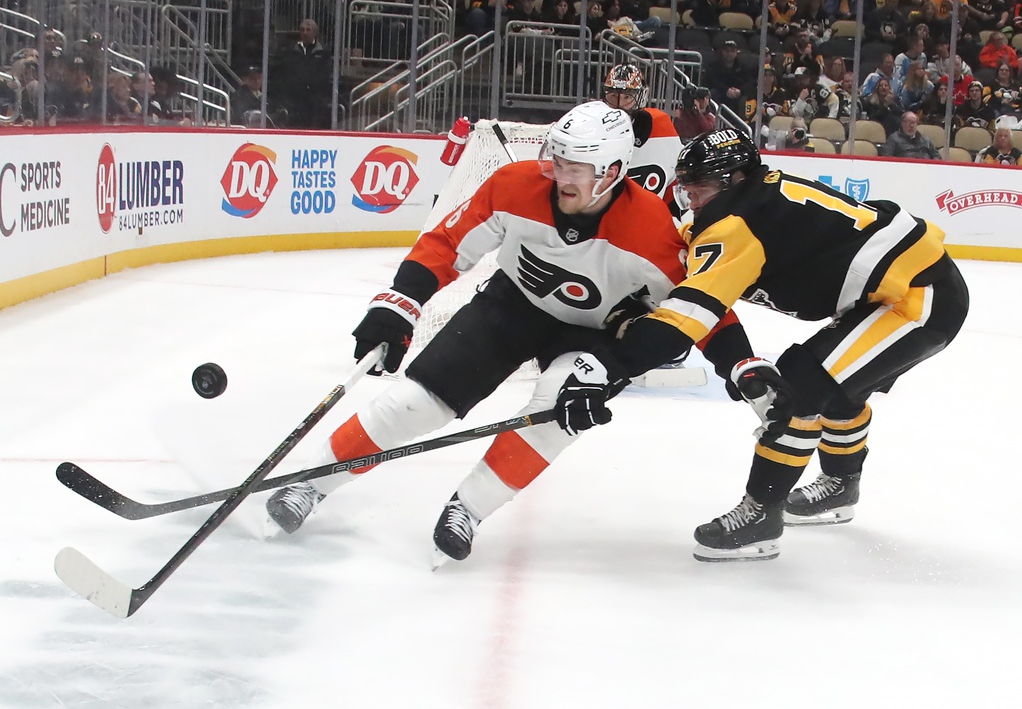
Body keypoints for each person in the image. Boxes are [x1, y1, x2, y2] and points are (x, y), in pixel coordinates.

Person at [263, 102, 750, 562]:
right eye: (557, 160)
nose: (559, 174)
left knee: (557, 411)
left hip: (591, 334)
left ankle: (468, 509)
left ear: (612, 173)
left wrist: (742, 361)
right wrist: (400, 302)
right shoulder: (515, 186)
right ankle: (313, 482)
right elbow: (448, 242)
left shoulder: (653, 230)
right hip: (511, 304)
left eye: (575, 167)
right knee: (417, 402)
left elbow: (701, 303)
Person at [553, 128, 970, 561]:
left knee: (802, 385)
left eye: (701, 189)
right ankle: (841, 487)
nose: (691, 199)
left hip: (919, 299)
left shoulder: (737, 225)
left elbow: (691, 315)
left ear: (734, 180)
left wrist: (616, 365)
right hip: (904, 286)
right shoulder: (753, 198)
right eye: (687, 189)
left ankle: (762, 514)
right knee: (839, 385)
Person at [602, 64, 683, 207]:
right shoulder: (590, 126)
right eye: (614, 96)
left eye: (627, 97)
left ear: (641, 96)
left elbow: (676, 180)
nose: (620, 104)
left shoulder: (661, 126)